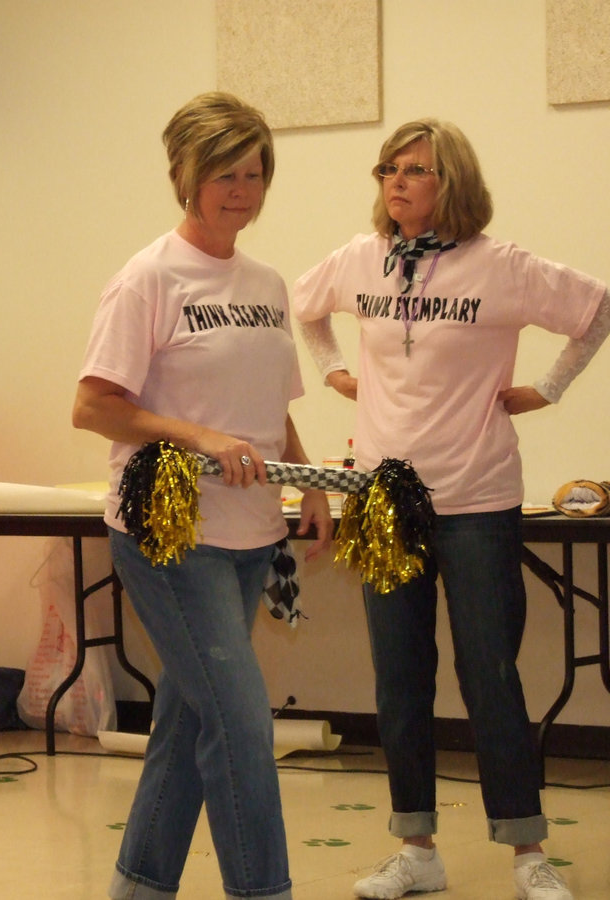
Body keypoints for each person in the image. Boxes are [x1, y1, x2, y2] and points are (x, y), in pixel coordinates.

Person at [292, 118, 609, 900]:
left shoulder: (500, 267)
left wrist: (549, 388)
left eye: (416, 170)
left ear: (453, 182)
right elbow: (301, 306)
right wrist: (334, 372)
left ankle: (529, 855)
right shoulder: (362, 259)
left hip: (476, 496)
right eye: (388, 168)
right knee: (400, 677)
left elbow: (597, 309)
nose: (396, 182)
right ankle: (417, 849)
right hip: (383, 500)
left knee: (490, 674)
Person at [73, 91, 333, 900]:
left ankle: (139, 886)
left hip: (253, 533)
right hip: (168, 534)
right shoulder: (148, 278)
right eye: (224, 173)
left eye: (254, 173)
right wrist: (196, 436)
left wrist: (311, 481)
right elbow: (93, 405)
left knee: (188, 722)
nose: (241, 190)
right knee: (240, 723)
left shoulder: (265, 281)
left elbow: (270, 411)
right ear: (185, 175)